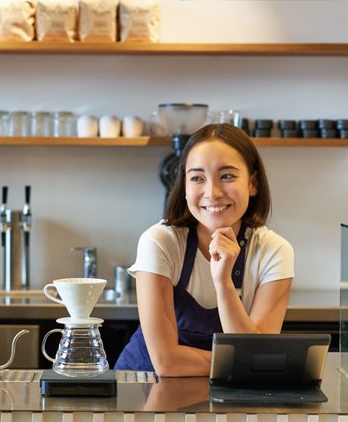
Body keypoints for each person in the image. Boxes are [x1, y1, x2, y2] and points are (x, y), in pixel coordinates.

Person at [115, 123, 294, 377]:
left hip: (226, 397)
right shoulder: (160, 242)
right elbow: (166, 362)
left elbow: (256, 357)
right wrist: (239, 363)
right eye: (197, 178)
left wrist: (223, 283)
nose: (212, 193)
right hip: (144, 388)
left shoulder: (274, 252)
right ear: (184, 186)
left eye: (227, 176)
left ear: (252, 184)